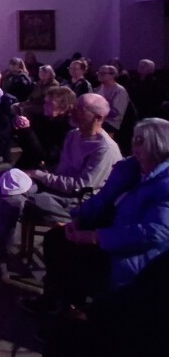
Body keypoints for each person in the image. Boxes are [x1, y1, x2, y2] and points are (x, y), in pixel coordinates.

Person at [22, 118, 169, 320]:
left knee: (78, 259)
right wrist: (80, 218)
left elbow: (154, 233)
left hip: (133, 252)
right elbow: (103, 198)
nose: (135, 146)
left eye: (141, 141)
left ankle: (74, 314)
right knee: (56, 239)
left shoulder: (164, 184)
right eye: (136, 139)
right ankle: (57, 300)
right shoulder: (131, 169)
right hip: (107, 231)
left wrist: (95, 237)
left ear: (158, 145)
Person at [0, 94, 122, 276]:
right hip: (56, 188)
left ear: (98, 117)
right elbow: (60, 169)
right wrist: (38, 175)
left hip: (75, 201)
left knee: (12, 201)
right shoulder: (73, 135)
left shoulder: (104, 149)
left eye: (80, 108)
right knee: (6, 182)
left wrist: (39, 175)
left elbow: (79, 186)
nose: (73, 110)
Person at [14, 86, 77, 170]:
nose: (44, 106)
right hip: (27, 162)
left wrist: (27, 131)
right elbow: (26, 146)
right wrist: (20, 129)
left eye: (50, 104)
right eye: (45, 102)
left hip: (45, 170)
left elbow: (45, 155)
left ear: (64, 107)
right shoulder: (41, 118)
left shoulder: (67, 129)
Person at [94, 64, 129, 135]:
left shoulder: (120, 91)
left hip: (111, 123)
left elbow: (116, 113)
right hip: (98, 120)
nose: (99, 75)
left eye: (103, 73)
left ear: (112, 75)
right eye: (99, 73)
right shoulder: (98, 89)